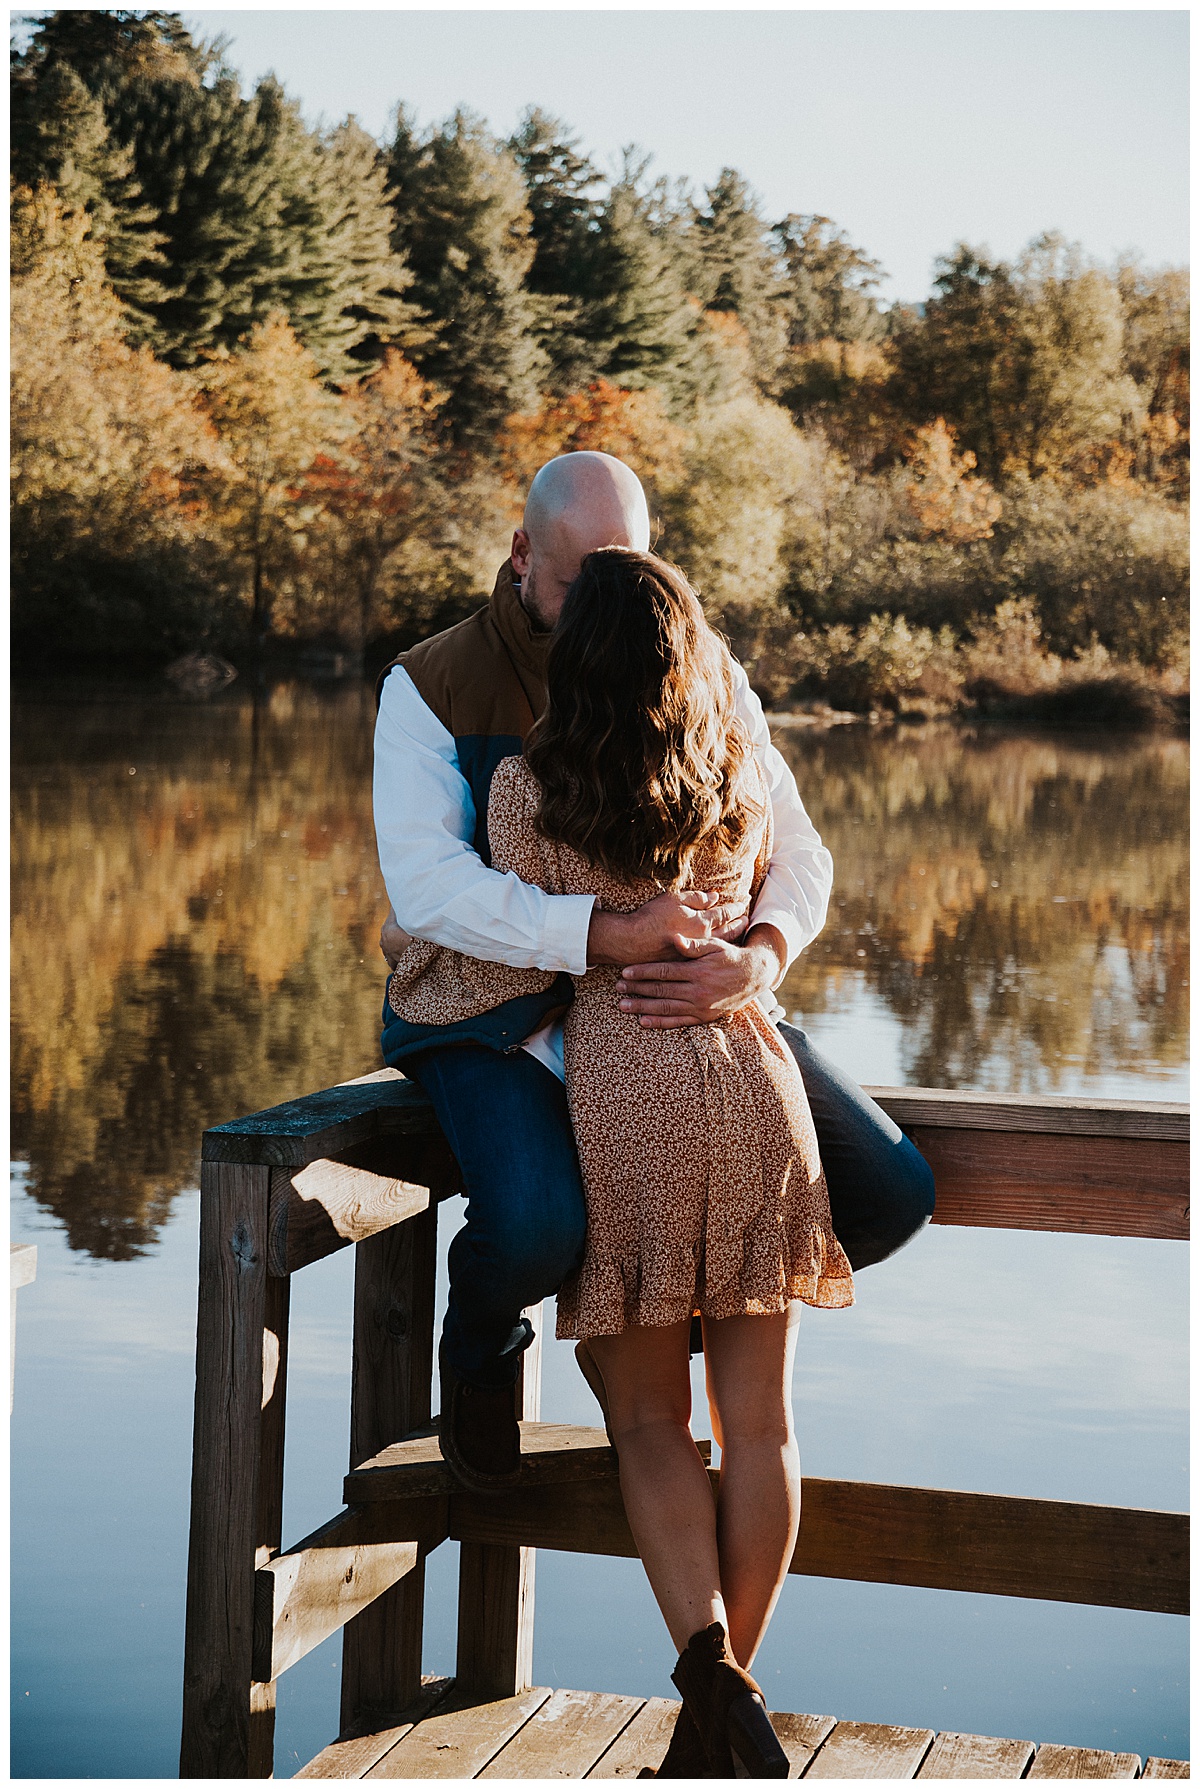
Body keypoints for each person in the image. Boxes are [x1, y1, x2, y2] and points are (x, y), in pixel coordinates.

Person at [371, 451, 933, 1503]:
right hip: (489, 1010)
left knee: (889, 1191)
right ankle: (484, 1331)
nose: (602, 601)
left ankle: (651, 1317)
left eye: (623, 567)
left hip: (683, 1007)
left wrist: (755, 958)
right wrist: (596, 933)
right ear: (522, 555)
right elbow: (428, 887)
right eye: (578, 578)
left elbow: (797, 847)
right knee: (537, 1226)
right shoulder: (431, 682)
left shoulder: (703, 663)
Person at [385, 547, 854, 1778]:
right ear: (689, 652)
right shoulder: (736, 777)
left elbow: (488, 956)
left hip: (631, 1110)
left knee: (646, 1421)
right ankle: (726, 1702)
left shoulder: (530, 797)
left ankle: (715, 1687)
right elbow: (795, 870)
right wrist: (746, 946)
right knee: (762, 1429)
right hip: (757, 1092)